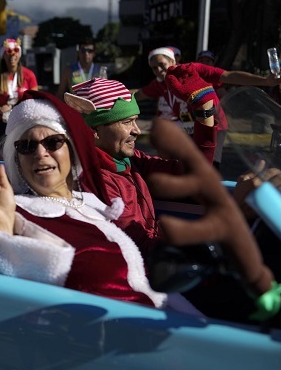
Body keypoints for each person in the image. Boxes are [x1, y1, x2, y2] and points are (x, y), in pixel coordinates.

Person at [0, 90, 277, 315]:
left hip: (163, 306)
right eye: (26, 146)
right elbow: (14, 295)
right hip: (122, 333)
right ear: (16, 159)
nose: (41, 152)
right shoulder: (24, 212)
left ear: (71, 149)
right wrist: (1, 229)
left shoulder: (89, 201)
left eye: (53, 141)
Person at [63, 77, 217, 256]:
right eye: (126, 122)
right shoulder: (95, 180)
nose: (136, 130)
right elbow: (136, 246)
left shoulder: (129, 160)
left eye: (135, 121)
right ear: (94, 131)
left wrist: (204, 110)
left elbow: (191, 172)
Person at [133, 46, 281, 169]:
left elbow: (229, 76)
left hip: (213, 125)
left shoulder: (191, 69)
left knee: (210, 169)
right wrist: (114, 94)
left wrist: (266, 81)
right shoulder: (159, 84)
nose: (159, 70)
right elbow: (139, 94)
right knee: (187, 168)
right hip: (189, 129)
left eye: (162, 65)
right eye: (154, 68)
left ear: (173, 61)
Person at [0, 38, 38, 153]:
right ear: (3, 56)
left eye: (15, 53)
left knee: (22, 156)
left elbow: (36, 102)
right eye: (8, 53)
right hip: (3, 122)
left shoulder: (29, 75)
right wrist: (0, 109)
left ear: (19, 55)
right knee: (2, 156)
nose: (12, 56)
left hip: (23, 122)